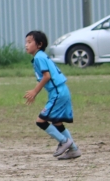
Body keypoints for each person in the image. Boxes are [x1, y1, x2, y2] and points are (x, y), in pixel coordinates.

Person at [23, 31, 80, 159]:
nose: (26, 45)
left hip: (58, 92)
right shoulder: (41, 56)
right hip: (61, 91)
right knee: (57, 122)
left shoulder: (39, 57)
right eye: (26, 42)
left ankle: (64, 141)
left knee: (40, 121)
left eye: (29, 42)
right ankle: (74, 150)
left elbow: (47, 76)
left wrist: (34, 92)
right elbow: (45, 77)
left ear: (39, 44)